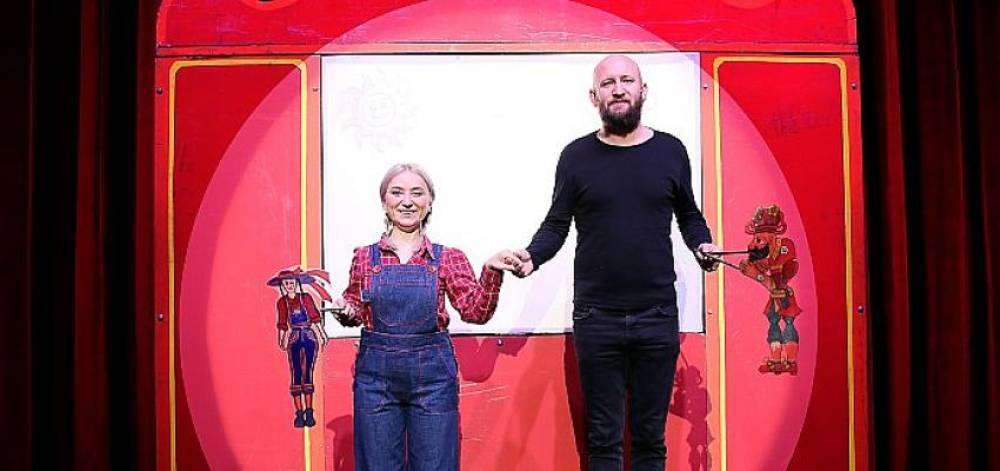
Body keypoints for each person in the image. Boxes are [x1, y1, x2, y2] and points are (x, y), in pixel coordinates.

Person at [512, 54, 719, 470]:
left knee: (650, 441)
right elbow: (556, 223)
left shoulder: (670, 150)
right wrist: (531, 257)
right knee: (604, 442)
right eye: (608, 84)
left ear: (643, 90)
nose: (619, 89)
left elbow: (689, 215)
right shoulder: (576, 156)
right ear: (594, 97)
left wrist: (703, 244)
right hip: (597, 317)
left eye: (627, 81)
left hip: (657, 314)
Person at [332, 163, 521, 471]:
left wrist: (491, 271)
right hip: (375, 380)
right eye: (397, 193)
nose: (407, 201)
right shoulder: (364, 257)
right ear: (384, 202)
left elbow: (476, 312)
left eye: (417, 193)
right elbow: (355, 306)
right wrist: (345, 310)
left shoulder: (448, 257)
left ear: (430, 202)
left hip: (433, 380)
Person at [268, 268, 330, 428]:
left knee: (307, 372)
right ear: (282, 285)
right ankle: (299, 414)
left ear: (296, 284)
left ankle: (309, 412)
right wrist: (281, 338)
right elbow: (282, 323)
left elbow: (315, 317)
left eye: (291, 282)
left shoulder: (306, 297)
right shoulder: (282, 302)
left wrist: (322, 334)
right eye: (286, 283)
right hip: (294, 337)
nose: (289, 285)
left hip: (309, 336)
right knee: (296, 372)